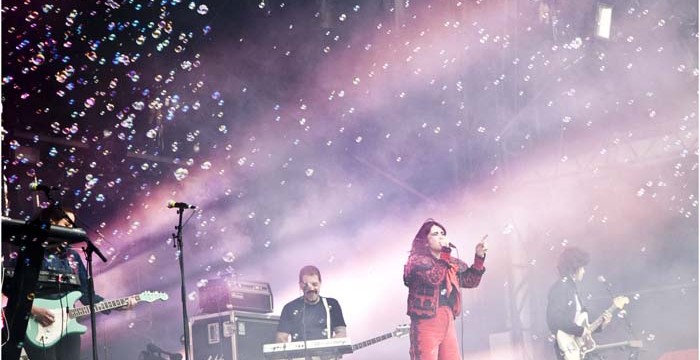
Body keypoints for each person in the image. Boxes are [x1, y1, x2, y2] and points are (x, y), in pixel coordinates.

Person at [22, 207, 136, 360]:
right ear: (51, 223)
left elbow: (87, 295)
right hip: (38, 326)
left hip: (69, 327)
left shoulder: (73, 256)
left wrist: (115, 305)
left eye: (72, 226)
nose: (71, 229)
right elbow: (13, 289)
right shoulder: (32, 252)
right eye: (67, 224)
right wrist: (34, 310)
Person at [403, 219, 487, 360]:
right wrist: (445, 254)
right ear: (425, 241)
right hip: (426, 322)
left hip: (447, 319)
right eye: (435, 234)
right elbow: (434, 277)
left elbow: (470, 281)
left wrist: (479, 257)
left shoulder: (451, 262)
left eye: (443, 233)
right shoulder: (417, 261)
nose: (441, 236)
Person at [546, 247, 612, 360]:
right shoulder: (561, 288)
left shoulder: (572, 289)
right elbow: (555, 320)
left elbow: (581, 324)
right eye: (582, 268)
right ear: (574, 267)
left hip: (578, 348)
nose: (584, 271)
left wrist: (601, 325)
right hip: (568, 347)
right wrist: (580, 331)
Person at [275, 265, 347, 343]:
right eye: (306, 285)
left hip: (326, 355)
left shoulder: (332, 304)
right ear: (300, 285)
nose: (311, 289)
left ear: (320, 283)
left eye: (315, 284)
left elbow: (342, 333)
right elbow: (281, 338)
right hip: (299, 355)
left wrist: (326, 347)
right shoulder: (289, 308)